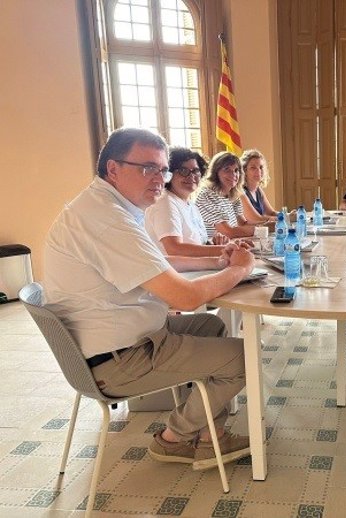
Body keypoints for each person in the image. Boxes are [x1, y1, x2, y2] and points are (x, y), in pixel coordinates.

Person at [44, 127, 256, 471]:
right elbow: (184, 297)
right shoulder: (108, 221)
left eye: (162, 169)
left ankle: (208, 436)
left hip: (118, 343)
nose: (160, 178)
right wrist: (239, 270)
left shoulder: (110, 206)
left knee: (210, 325)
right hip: (119, 360)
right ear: (113, 169)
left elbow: (156, 263)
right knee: (245, 359)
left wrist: (216, 261)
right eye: (147, 168)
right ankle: (174, 438)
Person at [145, 146, 230, 256]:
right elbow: (174, 249)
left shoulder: (190, 204)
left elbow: (198, 243)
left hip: (198, 267)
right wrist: (225, 249)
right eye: (183, 171)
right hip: (178, 271)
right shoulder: (164, 202)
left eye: (195, 171)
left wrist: (215, 243)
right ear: (169, 174)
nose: (191, 176)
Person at [196, 151, 257, 239]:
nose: (233, 174)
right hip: (213, 249)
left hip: (231, 245)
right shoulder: (207, 196)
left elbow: (243, 224)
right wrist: (261, 230)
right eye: (227, 169)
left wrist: (272, 225)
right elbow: (229, 232)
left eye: (236, 170)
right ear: (216, 172)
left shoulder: (233, 195)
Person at [240, 149, 279, 224]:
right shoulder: (241, 192)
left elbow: (271, 212)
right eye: (253, 168)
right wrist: (282, 219)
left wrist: (287, 215)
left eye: (260, 167)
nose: (258, 171)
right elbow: (256, 219)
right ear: (245, 171)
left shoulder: (258, 190)